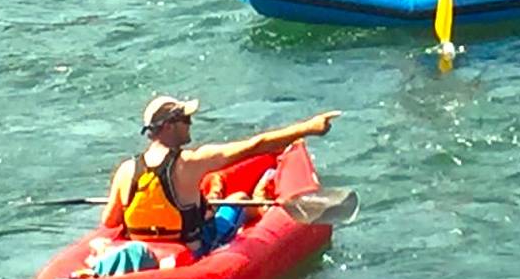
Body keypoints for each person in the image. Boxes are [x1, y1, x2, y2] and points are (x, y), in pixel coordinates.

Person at [98, 96, 342, 258]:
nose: (190, 123)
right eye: (185, 119)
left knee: (208, 202)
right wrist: (309, 128)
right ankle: (258, 207)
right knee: (237, 198)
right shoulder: (191, 162)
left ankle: (222, 200)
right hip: (192, 250)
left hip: (146, 249)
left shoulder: (126, 170)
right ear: (170, 126)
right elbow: (255, 145)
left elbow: (110, 221)